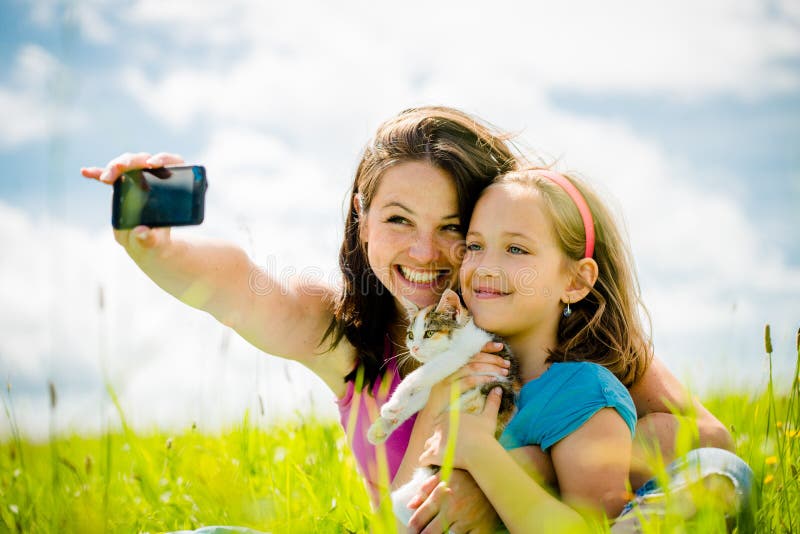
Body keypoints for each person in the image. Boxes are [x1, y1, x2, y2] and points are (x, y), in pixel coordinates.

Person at [81, 106, 736, 533]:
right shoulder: (343, 332)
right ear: (362, 217)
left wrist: (522, 469)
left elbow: (706, 437)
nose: (426, 255)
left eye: (455, 229)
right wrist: (156, 244)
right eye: (398, 220)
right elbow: (240, 288)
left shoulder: (556, 329)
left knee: (721, 478)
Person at [415, 167, 753, 532]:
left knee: (722, 471)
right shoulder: (456, 381)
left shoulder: (581, 388)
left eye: (516, 248)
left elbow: (594, 522)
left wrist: (503, 464)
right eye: (475, 246)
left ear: (575, 281)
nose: (486, 265)